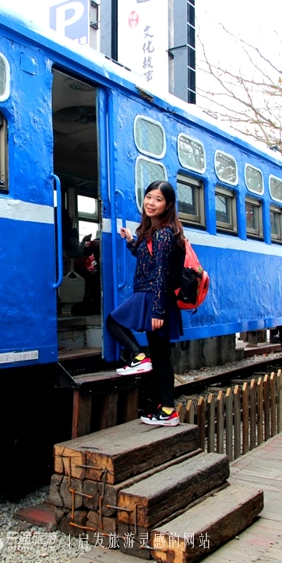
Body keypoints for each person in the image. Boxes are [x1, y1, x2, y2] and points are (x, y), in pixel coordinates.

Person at [107, 181, 184, 426]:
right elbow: (146, 257)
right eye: (149, 197)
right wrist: (131, 240)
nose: (151, 203)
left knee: (113, 321)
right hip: (154, 296)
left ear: (168, 205)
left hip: (152, 295)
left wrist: (157, 309)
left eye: (158, 199)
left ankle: (138, 358)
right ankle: (168, 410)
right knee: (161, 357)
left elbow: (161, 271)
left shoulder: (162, 233)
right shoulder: (156, 231)